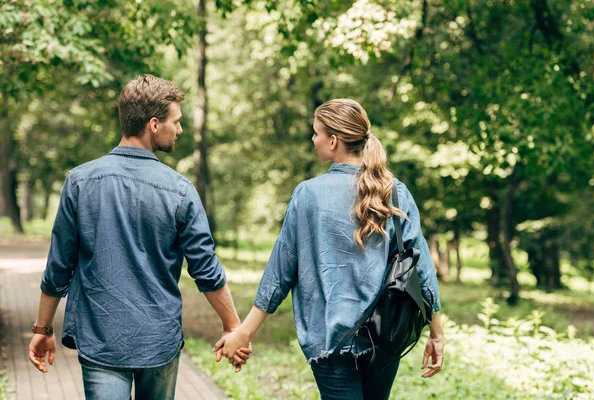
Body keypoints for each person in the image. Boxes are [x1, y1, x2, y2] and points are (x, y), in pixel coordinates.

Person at [28, 74, 249, 400]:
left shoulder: (80, 182)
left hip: (101, 337)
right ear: (154, 124)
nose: (180, 129)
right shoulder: (180, 191)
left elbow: (59, 266)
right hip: (158, 340)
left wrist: (43, 329)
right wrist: (233, 327)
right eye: (177, 121)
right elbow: (206, 269)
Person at [215, 99, 444, 399]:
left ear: (333, 140)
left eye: (316, 133)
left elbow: (281, 272)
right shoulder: (394, 191)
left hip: (331, 342)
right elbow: (422, 268)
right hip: (385, 334)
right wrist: (436, 333)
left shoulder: (307, 195)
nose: (313, 139)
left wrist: (244, 332)